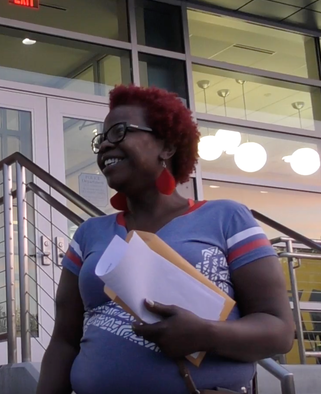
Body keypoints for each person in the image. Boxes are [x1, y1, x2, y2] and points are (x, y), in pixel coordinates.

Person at [37, 85, 294, 394]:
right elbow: (64, 342)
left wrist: (205, 334)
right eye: (101, 139)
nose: (105, 145)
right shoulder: (89, 234)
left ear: (168, 146)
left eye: (119, 132)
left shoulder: (226, 218)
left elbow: (279, 331)